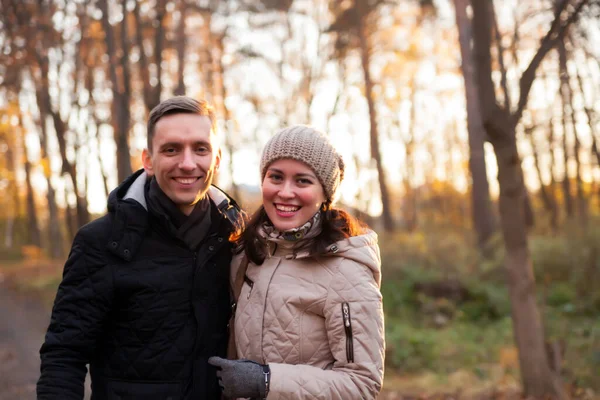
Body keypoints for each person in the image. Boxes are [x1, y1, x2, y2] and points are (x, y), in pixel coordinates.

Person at [37, 96, 243, 400]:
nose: (187, 163)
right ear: (148, 160)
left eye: (200, 149)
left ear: (216, 158)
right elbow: (64, 355)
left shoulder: (238, 238)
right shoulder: (101, 242)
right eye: (171, 149)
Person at [209, 125, 385, 399]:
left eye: (302, 181)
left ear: (325, 193)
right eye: (276, 177)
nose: (285, 192)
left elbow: (362, 384)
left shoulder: (346, 269)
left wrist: (266, 381)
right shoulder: (248, 252)